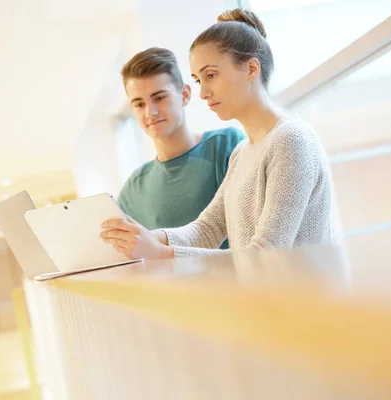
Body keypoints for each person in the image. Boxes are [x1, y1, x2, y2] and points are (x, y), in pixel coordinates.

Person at [101, 9, 342, 259]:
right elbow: (207, 229)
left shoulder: (291, 139)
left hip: (305, 298)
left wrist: (162, 253)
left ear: (251, 68)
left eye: (211, 76)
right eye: (198, 80)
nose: (203, 92)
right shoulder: (241, 153)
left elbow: (265, 254)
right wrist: (147, 237)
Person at [115, 47, 245, 249]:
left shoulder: (227, 145)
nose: (151, 112)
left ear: (184, 94)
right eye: (139, 104)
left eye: (159, 97)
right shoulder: (133, 189)